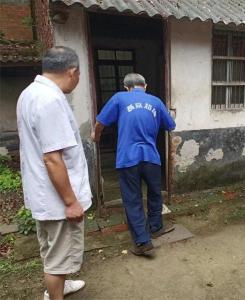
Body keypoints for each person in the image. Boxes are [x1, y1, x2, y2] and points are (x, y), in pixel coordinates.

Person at [17, 46, 92, 300]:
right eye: (79, 74)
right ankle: (55, 295)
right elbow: (52, 157)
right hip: (58, 198)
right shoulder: (50, 100)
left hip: (44, 193)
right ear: (72, 72)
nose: (78, 79)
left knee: (52, 250)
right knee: (58, 258)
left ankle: (61, 285)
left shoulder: (30, 93)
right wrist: (71, 202)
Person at [91, 73, 176, 256]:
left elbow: (100, 123)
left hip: (128, 159)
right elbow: (171, 126)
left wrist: (95, 137)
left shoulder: (119, 98)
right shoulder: (155, 101)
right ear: (144, 86)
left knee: (132, 199)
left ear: (127, 87)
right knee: (155, 193)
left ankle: (143, 242)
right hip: (151, 158)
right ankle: (156, 227)